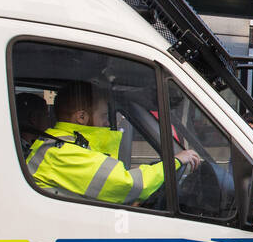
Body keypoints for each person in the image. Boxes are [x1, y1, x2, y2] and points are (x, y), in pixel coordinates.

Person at [27, 81, 199, 203]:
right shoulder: (62, 152)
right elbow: (126, 184)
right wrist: (174, 162)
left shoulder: (61, 145)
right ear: (81, 117)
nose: (108, 123)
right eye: (103, 116)